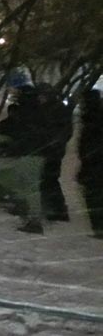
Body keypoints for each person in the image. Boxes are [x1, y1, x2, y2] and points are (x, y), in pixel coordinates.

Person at [0, 85, 48, 234]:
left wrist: (12, 148)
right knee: (29, 186)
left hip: (28, 153)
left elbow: (22, 134)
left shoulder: (25, 111)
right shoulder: (39, 111)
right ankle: (29, 214)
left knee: (28, 187)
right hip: (37, 152)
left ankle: (34, 220)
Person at [37, 84, 73, 222]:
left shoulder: (50, 110)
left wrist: (51, 143)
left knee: (48, 180)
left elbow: (56, 131)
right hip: (54, 151)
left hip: (50, 151)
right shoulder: (59, 109)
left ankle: (56, 210)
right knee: (50, 180)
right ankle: (57, 209)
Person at [77, 89, 103, 240]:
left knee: (94, 196)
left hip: (94, 164)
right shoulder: (93, 116)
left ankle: (99, 228)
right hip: (94, 163)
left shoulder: (92, 118)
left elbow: (90, 143)